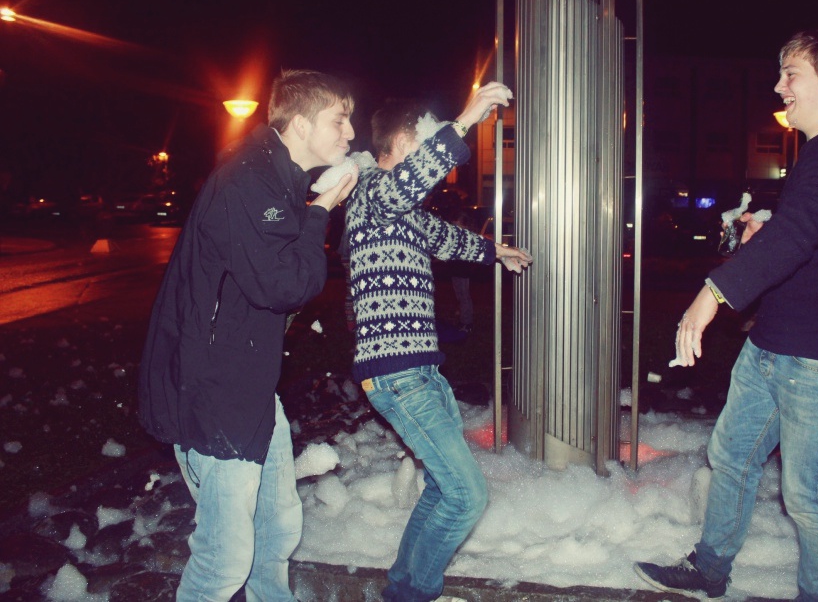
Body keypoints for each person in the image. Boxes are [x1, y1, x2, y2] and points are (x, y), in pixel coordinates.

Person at [634, 28, 818, 602]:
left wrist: (711, 294)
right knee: (731, 460)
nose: (778, 86)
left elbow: (801, 234)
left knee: (808, 499)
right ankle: (710, 570)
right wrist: (765, 230)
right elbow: (815, 233)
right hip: (773, 346)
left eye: (791, 73)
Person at [137, 70, 359, 602]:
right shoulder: (248, 180)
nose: (351, 133)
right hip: (213, 391)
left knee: (276, 529)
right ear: (301, 123)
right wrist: (320, 213)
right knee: (225, 558)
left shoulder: (277, 178)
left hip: (249, 383)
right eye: (339, 120)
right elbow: (284, 285)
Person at [346, 82, 532, 602]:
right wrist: (466, 119)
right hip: (397, 375)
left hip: (422, 371)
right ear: (403, 144)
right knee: (467, 497)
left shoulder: (402, 210)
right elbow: (407, 183)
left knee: (441, 488)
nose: (432, 154)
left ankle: (402, 588)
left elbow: (446, 238)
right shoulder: (371, 193)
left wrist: (496, 251)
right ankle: (416, 594)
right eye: (424, 141)